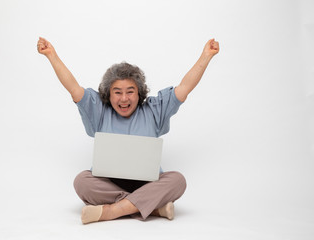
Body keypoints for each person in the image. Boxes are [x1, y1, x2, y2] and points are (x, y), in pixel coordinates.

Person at [37, 37, 219, 224]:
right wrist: (52, 55)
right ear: (108, 94)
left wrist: (206, 56)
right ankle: (153, 208)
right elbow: (73, 88)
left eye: (130, 91)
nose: (124, 99)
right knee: (82, 181)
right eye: (117, 92)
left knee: (178, 180)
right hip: (109, 183)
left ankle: (112, 211)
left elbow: (184, 88)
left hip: (149, 183)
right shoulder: (99, 111)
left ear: (139, 93)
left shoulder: (154, 110)